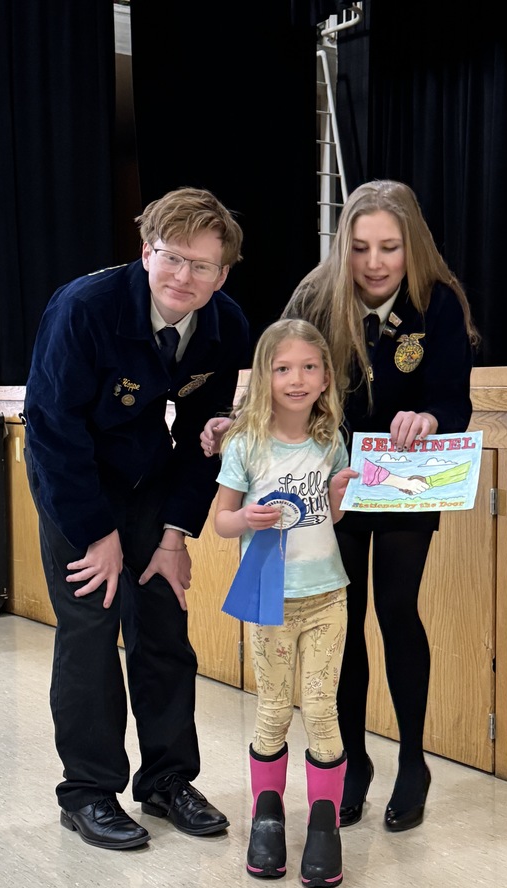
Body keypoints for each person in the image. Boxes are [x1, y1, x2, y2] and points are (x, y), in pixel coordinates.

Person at [202, 179, 479, 834]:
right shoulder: (314, 296)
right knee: (341, 617)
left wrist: (430, 414)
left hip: (404, 477)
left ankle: (413, 760)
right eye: (360, 247)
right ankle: (350, 760)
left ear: (411, 245)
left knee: (396, 609)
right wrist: (235, 421)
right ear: (342, 246)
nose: (375, 262)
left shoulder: (437, 304)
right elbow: (279, 366)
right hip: (327, 481)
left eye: (389, 246)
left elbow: (455, 399)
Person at [23, 187, 251, 851]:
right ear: (147, 251)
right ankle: (88, 791)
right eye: (173, 258)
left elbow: (204, 440)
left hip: (149, 476)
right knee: (92, 624)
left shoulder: (224, 324)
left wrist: (176, 534)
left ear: (223, 273)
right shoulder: (84, 309)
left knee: (162, 621)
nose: (185, 277)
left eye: (203, 266)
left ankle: (167, 780)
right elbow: (52, 427)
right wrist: (98, 534)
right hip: (75, 477)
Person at [214, 318, 357, 888]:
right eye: (282, 368)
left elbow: (330, 517)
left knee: (321, 708)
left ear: (325, 377)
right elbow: (222, 520)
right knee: (274, 709)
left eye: (309, 367)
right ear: (264, 375)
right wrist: (245, 518)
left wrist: (341, 499)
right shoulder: (245, 443)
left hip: (328, 596)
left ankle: (324, 826)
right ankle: (266, 816)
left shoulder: (331, 440)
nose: (296, 379)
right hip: (270, 599)